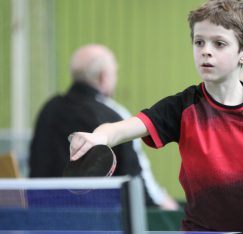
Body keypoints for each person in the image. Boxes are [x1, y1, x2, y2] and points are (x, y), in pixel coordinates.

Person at [68, 0, 243, 233]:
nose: (206, 52)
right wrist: (97, 136)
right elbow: (124, 128)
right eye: (199, 42)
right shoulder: (182, 107)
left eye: (219, 44)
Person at [29, 44, 178, 210]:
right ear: (103, 77)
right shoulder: (115, 115)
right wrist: (162, 204)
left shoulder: (48, 109)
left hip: (44, 216)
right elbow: (136, 180)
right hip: (95, 221)